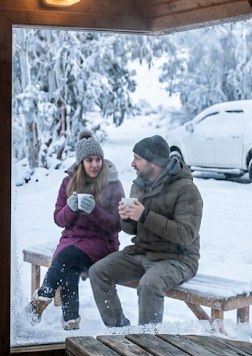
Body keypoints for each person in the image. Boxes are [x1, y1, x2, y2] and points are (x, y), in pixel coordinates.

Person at [89, 135, 203, 327]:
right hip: (142, 253)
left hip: (177, 259)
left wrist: (144, 215)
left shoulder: (186, 190)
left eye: (137, 158)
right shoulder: (139, 184)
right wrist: (126, 216)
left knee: (150, 285)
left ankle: (147, 343)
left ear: (153, 163)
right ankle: (119, 331)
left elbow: (185, 234)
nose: (133, 163)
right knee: (98, 272)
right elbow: (132, 230)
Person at [27, 130, 124, 330]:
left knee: (65, 257)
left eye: (98, 159)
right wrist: (70, 208)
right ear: (81, 163)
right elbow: (59, 219)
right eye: (89, 160)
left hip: (101, 245)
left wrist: (94, 211)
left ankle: (39, 301)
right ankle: (71, 323)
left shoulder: (113, 184)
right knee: (67, 266)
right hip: (71, 241)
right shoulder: (68, 183)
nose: (95, 164)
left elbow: (116, 225)